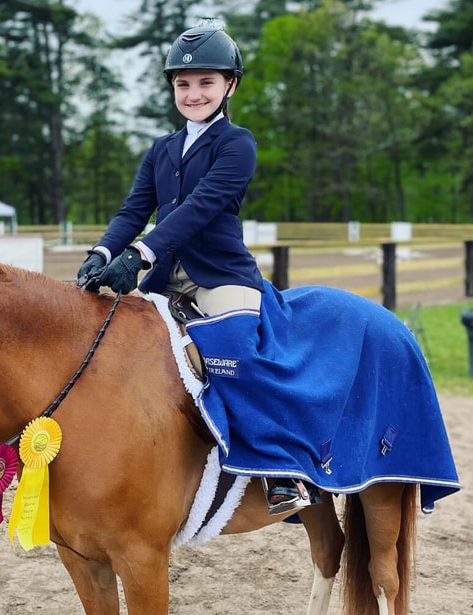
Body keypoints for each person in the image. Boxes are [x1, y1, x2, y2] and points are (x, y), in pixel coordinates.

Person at [76, 22, 316, 515]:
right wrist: (101, 254)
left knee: (238, 355)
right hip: (165, 279)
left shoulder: (237, 143)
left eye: (205, 82)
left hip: (222, 277)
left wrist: (140, 255)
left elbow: (201, 207)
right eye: (183, 84)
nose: (193, 93)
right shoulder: (161, 149)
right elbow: (133, 209)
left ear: (230, 85)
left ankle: (278, 470)